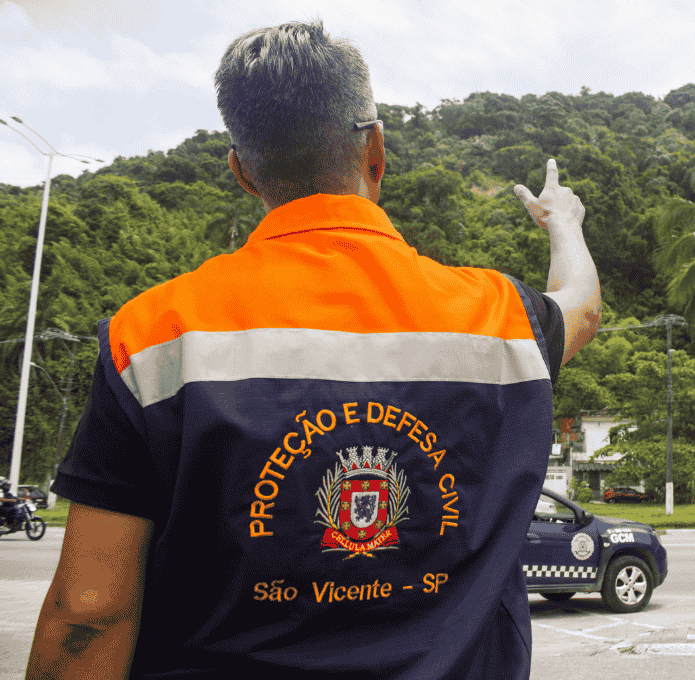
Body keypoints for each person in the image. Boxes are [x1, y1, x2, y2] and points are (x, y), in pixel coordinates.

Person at [27, 20, 601, 680]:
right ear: (376, 150)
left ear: (242, 171)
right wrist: (564, 222)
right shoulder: (501, 323)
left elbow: (87, 615)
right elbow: (581, 304)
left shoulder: (152, 337)